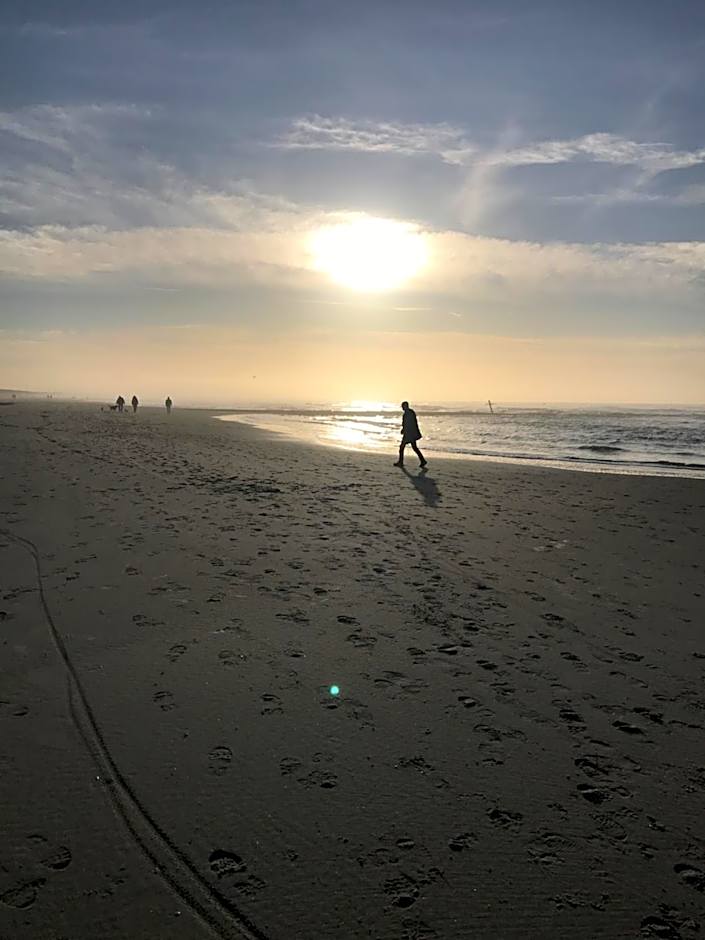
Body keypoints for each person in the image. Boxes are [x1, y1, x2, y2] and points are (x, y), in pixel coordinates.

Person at [394, 401, 427, 468]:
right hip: (411, 433)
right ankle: (422, 460)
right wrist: (403, 429)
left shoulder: (408, 413)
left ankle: (401, 462)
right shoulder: (410, 412)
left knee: (402, 447)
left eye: (403, 406)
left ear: (405, 406)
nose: (402, 408)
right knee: (414, 447)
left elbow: (409, 424)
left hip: (409, 434)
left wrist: (405, 430)